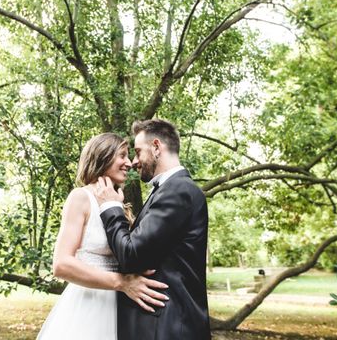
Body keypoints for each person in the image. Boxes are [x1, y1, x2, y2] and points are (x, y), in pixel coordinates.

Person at [37, 132, 169, 340]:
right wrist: (122, 282)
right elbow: (61, 264)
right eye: (122, 155)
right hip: (88, 307)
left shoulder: (119, 203)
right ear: (103, 156)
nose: (129, 163)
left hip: (121, 307)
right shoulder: (81, 197)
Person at [95, 119, 211, 340]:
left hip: (168, 328)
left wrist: (111, 207)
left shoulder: (177, 190)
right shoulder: (168, 190)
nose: (134, 161)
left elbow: (132, 255)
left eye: (138, 152)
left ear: (156, 147)